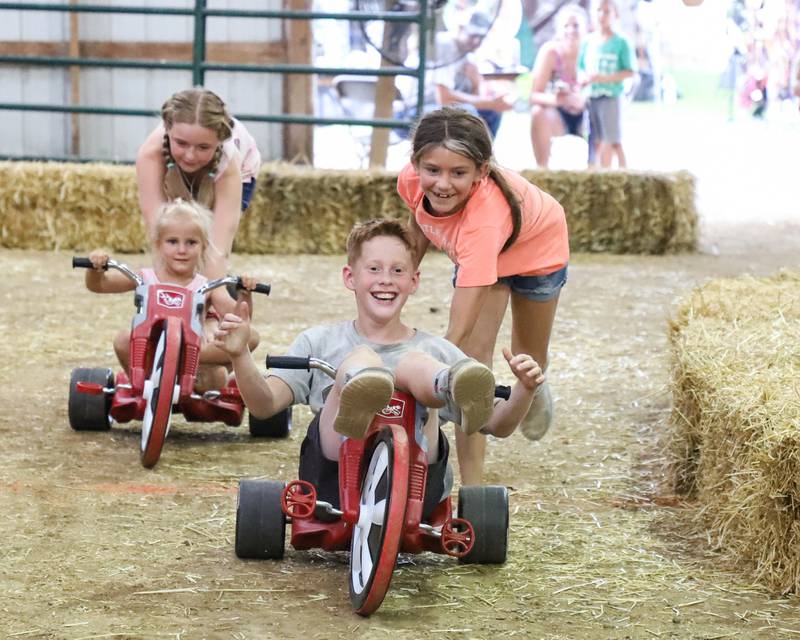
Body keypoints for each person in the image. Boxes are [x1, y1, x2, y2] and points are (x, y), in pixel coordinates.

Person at [214, 219, 545, 505]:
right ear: (350, 277)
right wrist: (239, 355)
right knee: (358, 360)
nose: (386, 279)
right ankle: (363, 380)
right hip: (335, 479)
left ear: (413, 281)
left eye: (398, 271)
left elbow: (496, 426)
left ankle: (446, 382)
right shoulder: (320, 342)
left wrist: (524, 390)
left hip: (418, 486)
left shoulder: (437, 349)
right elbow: (264, 404)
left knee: (418, 363)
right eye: (374, 269)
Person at [397, 106, 569, 485]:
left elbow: (454, 332)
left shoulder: (484, 219)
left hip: (538, 249)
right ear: (415, 164)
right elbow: (420, 219)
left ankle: (532, 388)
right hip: (483, 253)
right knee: (472, 368)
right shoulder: (410, 181)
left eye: (458, 173)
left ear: (482, 171)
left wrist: (429, 366)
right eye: (433, 171)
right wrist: (403, 273)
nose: (442, 184)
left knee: (527, 356)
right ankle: (472, 484)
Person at [84, 199, 259, 392]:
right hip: (149, 352)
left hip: (193, 357)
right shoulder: (145, 278)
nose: (182, 250)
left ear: (203, 246)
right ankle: (140, 386)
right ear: (158, 244)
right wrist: (96, 269)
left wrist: (244, 295)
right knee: (123, 340)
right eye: (172, 242)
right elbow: (99, 285)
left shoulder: (206, 285)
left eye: (191, 242)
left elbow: (238, 317)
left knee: (249, 338)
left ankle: (191, 368)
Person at [136, 88, 262, 280]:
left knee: (205, 245)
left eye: (203, 147)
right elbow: (158, 232)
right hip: (174, 171)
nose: (190, 156)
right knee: (176, 232)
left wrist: (207, 294)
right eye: (181, 143)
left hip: (233, 172)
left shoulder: (229, 164)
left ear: (218, 142)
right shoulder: (150, 155)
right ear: (167, 129)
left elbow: (219, 248)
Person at [397, 11, 514, 138]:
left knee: (489, 113)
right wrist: (490, 103)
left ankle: (482, 155)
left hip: (438, 110)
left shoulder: (468, 55)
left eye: (480, 38)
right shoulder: (445, 46)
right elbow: (444, 97)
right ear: (461, 29)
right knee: (467, 113)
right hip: (413, 112)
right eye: (473, 35)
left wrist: (477, 84)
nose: (476, 42)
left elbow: (474, 99)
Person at [529, 4, 588, 168]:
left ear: (586, 28)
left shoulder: (592, 50)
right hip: (558, 114)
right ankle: (543, 170)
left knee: (603, 110)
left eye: (575, 25)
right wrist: (559, 100)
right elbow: (533, 95)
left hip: (588, 113)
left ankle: (597, 167)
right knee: (537, 112)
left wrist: (582, 99)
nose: (571, 30)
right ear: (558, 30)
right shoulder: (550, 52)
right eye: (566, 26)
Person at [578, 0, 635, 169]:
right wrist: (584, 79)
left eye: (606, 11)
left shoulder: (621, 42)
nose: (601, 15)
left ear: (615, 15)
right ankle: (599, 170)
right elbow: (581, 67)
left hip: (611, 96)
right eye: (598, 11)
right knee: (596, 138)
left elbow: (630, 71)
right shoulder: (588, 41)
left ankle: (615, 172)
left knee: (612, 139)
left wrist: (604, 78)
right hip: (592, 96)